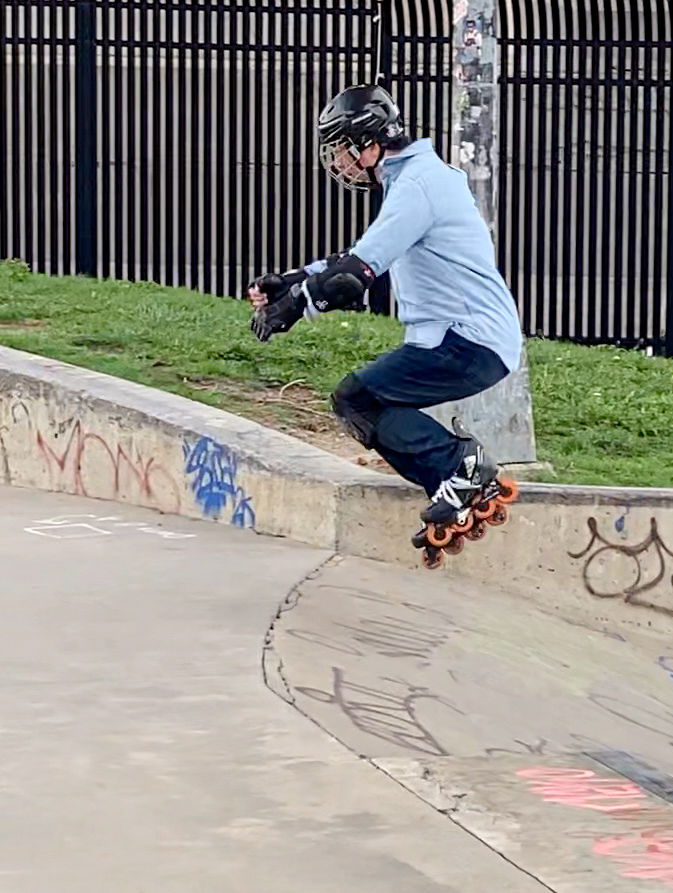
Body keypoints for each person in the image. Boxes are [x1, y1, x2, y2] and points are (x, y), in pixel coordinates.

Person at [247, 83, 522, 550]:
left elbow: (353, 276)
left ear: (369, 144)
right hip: (461, 341)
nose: (337, 163)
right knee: (369, 401)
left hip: (467, 342)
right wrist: (291, 281)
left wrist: (296, 306)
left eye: (340, 150)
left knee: (356, 399)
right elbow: (355, 255)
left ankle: (461, 469)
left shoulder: (418, 185)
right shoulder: (413, 178)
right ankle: (452, 482)